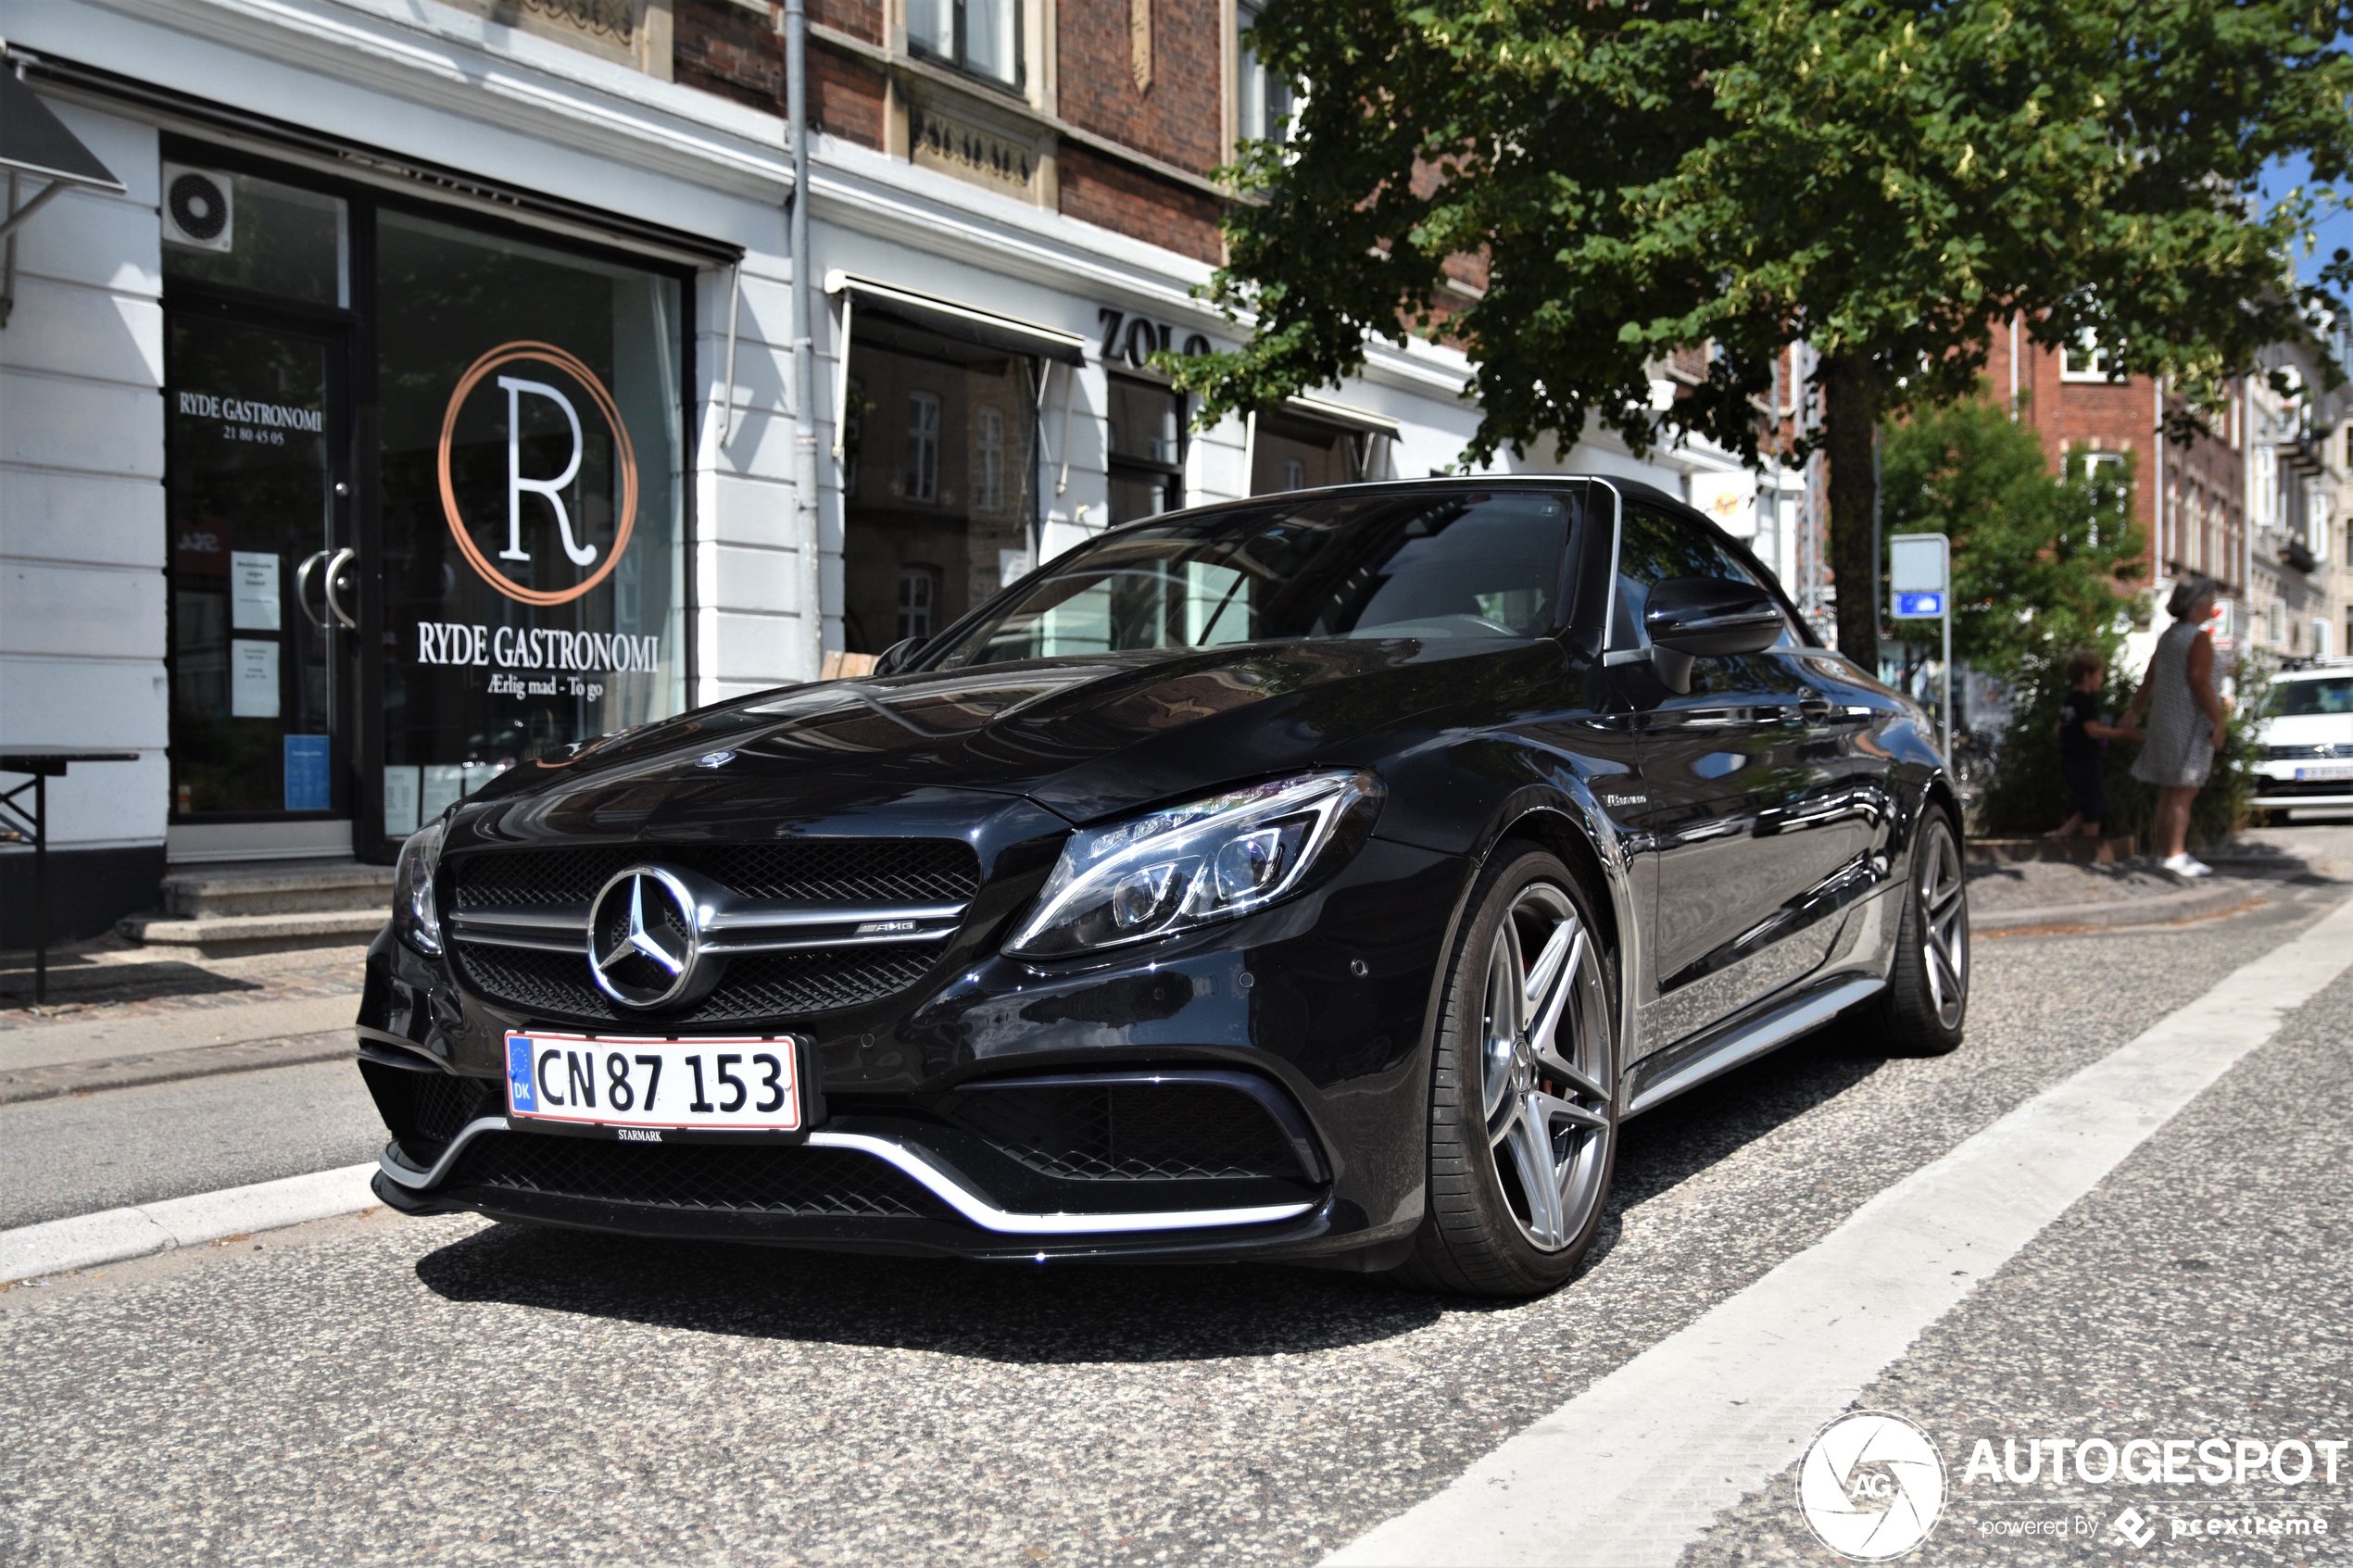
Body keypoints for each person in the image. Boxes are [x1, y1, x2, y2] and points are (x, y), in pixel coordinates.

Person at [2124, 576, 2232, 877]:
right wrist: (2219, 720)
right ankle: (2176, 854)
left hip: (2164, 719)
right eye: (2210, 599)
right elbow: (2200, 681)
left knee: (2169, 791)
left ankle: (2167, 853)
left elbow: (2149, 677)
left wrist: (2133, 712)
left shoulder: (2170, 636)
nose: (2213, 605)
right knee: (2185, 791)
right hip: (2189, 722)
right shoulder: (2197, 639)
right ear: (2198, 604)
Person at [2048, 649, 2134, 838]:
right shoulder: (2087, 701)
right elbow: (2092, 731)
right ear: (2087, 676)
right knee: (2094, 808)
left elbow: (2058, 730)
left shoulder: (2069, 700)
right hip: (2085, 760)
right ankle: (2088, 849)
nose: (2101, 680)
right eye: (2099, 675)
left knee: (2092, 804)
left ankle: (2059, 838)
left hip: (2070, 759)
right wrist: (2124, 733)